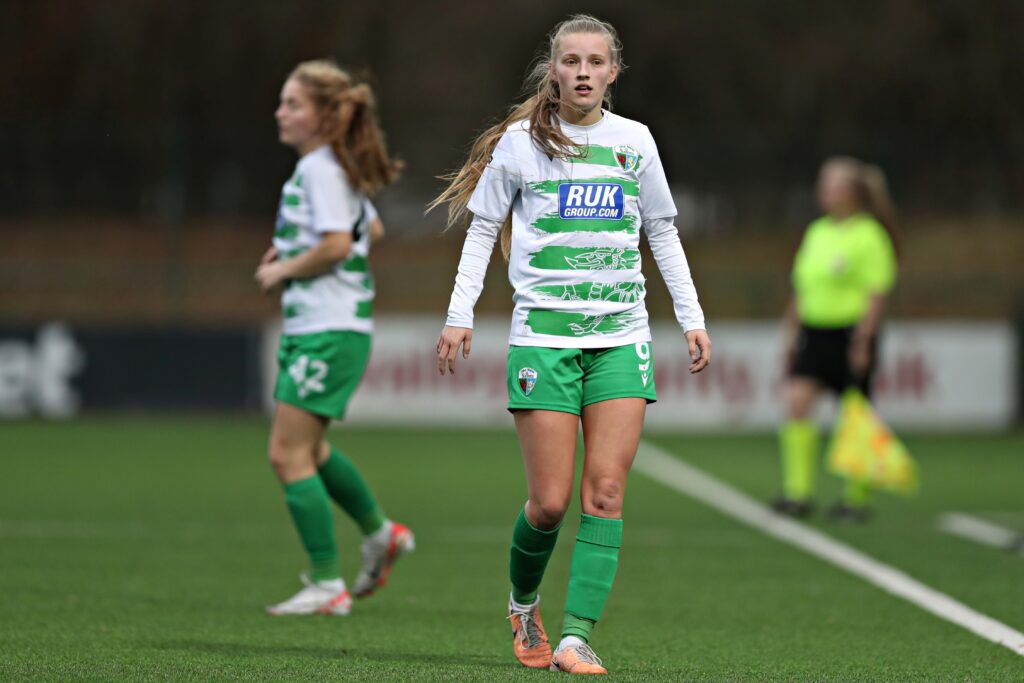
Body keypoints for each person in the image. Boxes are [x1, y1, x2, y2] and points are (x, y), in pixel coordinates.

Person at [429, 15, 711, 674]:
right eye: (571, 61)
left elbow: (662, 231)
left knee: (605, 492)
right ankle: (523, 603)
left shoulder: (634, 142)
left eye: (595, 61)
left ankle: (577, 635)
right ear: (552, 70)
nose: (582, 72)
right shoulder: (521, 145)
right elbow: (482, 228)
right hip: (543, 335)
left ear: (613, 73)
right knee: (550, 502)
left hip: (621, 334)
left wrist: (690, 315)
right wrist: (458, 312)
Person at [255, 59, 413, 616]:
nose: (281, 111)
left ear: (323, 117)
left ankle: (327, 585)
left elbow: (339, 246)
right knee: (312, 450)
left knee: (286, 454)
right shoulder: (330, 168)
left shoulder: (322, 169)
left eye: (293, 103)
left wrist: (282, 269)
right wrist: (299, 248)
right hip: (322, 326)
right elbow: (368, 227)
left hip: (327, 327)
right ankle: (380, 534)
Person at [774, 157, 899, 521]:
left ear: (852, 193)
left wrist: (864, 340)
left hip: (851, 333)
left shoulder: (869, 234)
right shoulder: (818, 232)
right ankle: (798, 493)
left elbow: (877, 292)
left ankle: (855, 498)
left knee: (855, 413)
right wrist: (791, 329)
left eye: (831, 184)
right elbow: (803, 286)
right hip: (816, 333)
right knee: (797, 401)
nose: (823, 191)